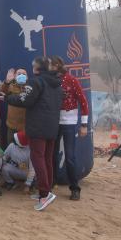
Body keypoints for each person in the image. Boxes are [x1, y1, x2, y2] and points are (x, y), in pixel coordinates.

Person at [6, 56, 62, 211]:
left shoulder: (36, 81)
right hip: (52, 126)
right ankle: (47, 190)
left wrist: (7, 98)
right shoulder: (57, 83)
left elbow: (25, 100)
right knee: (47, 159)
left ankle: (44, 194)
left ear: (36, 68)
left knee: (37, 159)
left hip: (38, 127)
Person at [50, 55, 89, 200]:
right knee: (51, 153)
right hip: (54, 122)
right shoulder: (51, 81)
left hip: (69, 122)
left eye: (53, 66)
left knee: (70, 156)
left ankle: (75, 188)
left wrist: (84, 124)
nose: (51, 68)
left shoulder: (72, 80)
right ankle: (51, 183)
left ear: (58, 66)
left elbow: (83, 102)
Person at [0, 68, 28, 144]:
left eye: (24, 74)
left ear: (27, 77)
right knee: (11, 147)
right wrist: (7, 81)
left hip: (25, 127)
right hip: (12, 125)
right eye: (19, 73)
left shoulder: (30, 88)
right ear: (14, 76)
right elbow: (0, 91)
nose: (21, 75)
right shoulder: (10, 86)